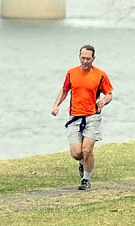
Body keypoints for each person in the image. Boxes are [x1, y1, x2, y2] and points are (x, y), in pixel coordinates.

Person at [51, 45, 113, 191]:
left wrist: (103, 101)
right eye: (82, 58)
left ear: (93, 59)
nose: (85, 61)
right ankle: (82, 163)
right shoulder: (72, 73)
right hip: (75, 117)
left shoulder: (100, 75)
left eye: (88, 59)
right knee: (76, 153)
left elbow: (109, 93)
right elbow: (65, 90)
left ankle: (86, 179)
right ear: (79, 57)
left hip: (92, 116)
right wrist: (56, 105)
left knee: (87, 150)